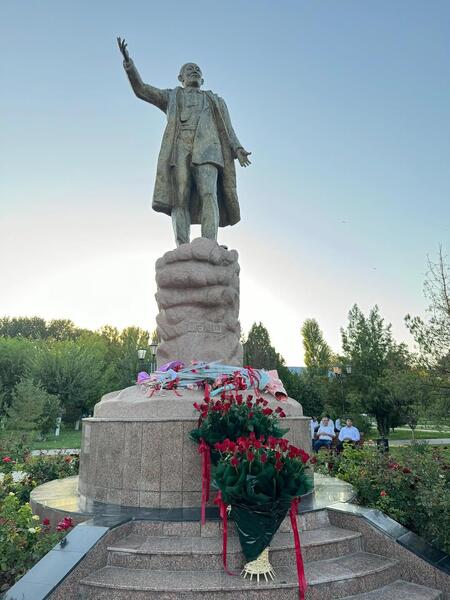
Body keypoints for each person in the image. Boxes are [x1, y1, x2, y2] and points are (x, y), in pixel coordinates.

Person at [117, 38, 251, 247]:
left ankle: (209, 244)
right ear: (181, 78)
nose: (194, 71)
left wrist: (238, 148)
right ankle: (182, 246)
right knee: (180, 197)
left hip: (209, 149)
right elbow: (142, 89)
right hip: (179, 147)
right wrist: (129, 64)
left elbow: (227, 129)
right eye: (189, 69)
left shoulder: (215, 100)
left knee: (209, 194)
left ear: (203, 80)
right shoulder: (172, 96)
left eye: (197, 70)